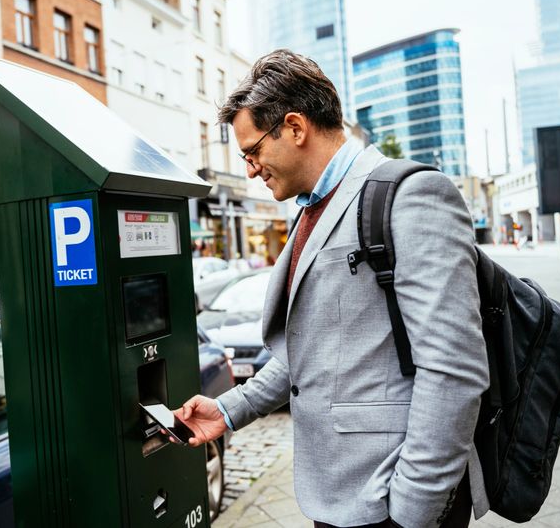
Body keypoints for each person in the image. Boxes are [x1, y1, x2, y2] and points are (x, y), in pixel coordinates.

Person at [174, 50, 490, 528]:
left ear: (295, 128)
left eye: (252, 151)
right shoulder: (310, 210)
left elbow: (454, 368)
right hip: (337, 493)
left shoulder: (411, 195)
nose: (250, 169)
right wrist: (228, 409)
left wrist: (413, 509)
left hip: (391, 498)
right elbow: (312, 349)